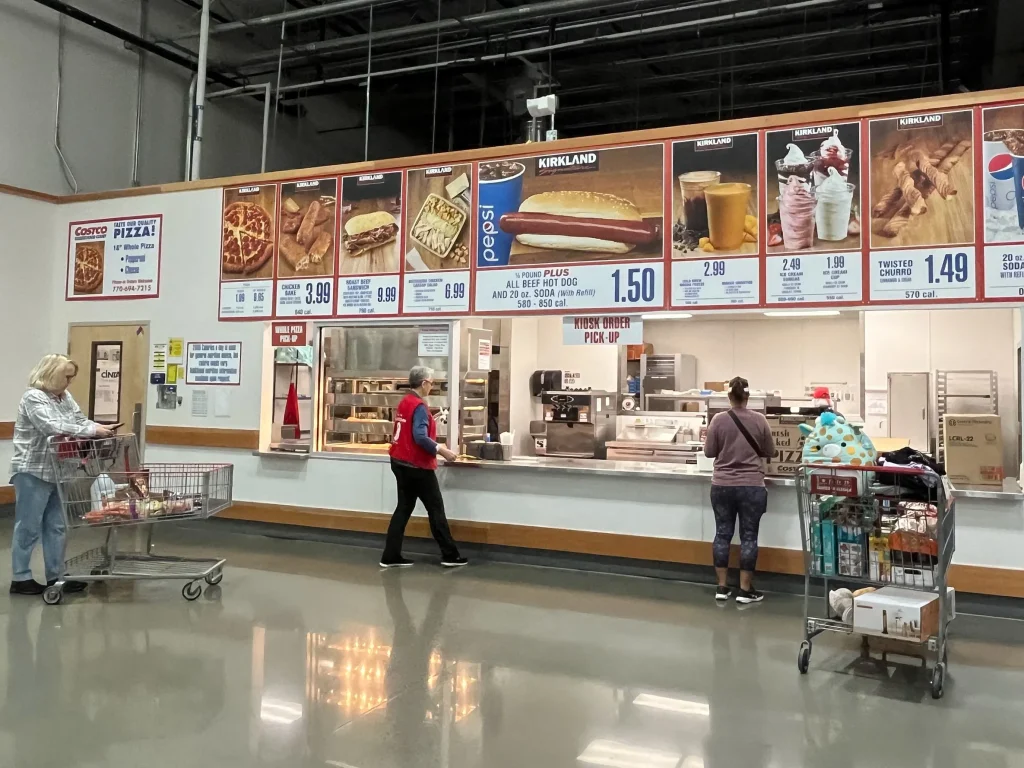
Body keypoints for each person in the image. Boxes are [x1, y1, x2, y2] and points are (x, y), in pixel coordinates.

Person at [9, 354, 113, 595]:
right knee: (29, 526)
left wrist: (99, 428)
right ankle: (20, 577)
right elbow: (51, 426)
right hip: (33, 471)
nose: (69, 381)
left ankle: (56, 576)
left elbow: (78, 419)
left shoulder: (64, 397)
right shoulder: (33, 397)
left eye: (71, 377)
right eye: (66, 376)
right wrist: (90, 429)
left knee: (57, 525)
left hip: (60, 470)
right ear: (52, 373)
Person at [381, 365, 467, 568]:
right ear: (424, 383)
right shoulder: (419, 406)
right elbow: (419, 437)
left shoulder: (405, 402)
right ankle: (450, 555)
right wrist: (441, 450)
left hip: (399, 462)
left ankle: (390, 555)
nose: (432, 386)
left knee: (403, 508)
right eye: (431, 382)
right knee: (436, 508)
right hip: (416, 466)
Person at [703, 376, 774, 604]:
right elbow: (770, 451)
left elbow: (709, 452)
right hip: (751, 486)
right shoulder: (760, 420)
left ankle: (722, 588)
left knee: (722, 534)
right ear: (747, 397)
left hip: (722, 485)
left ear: (729, 397)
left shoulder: (717, 420)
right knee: (749, 537)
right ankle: (745, 590)